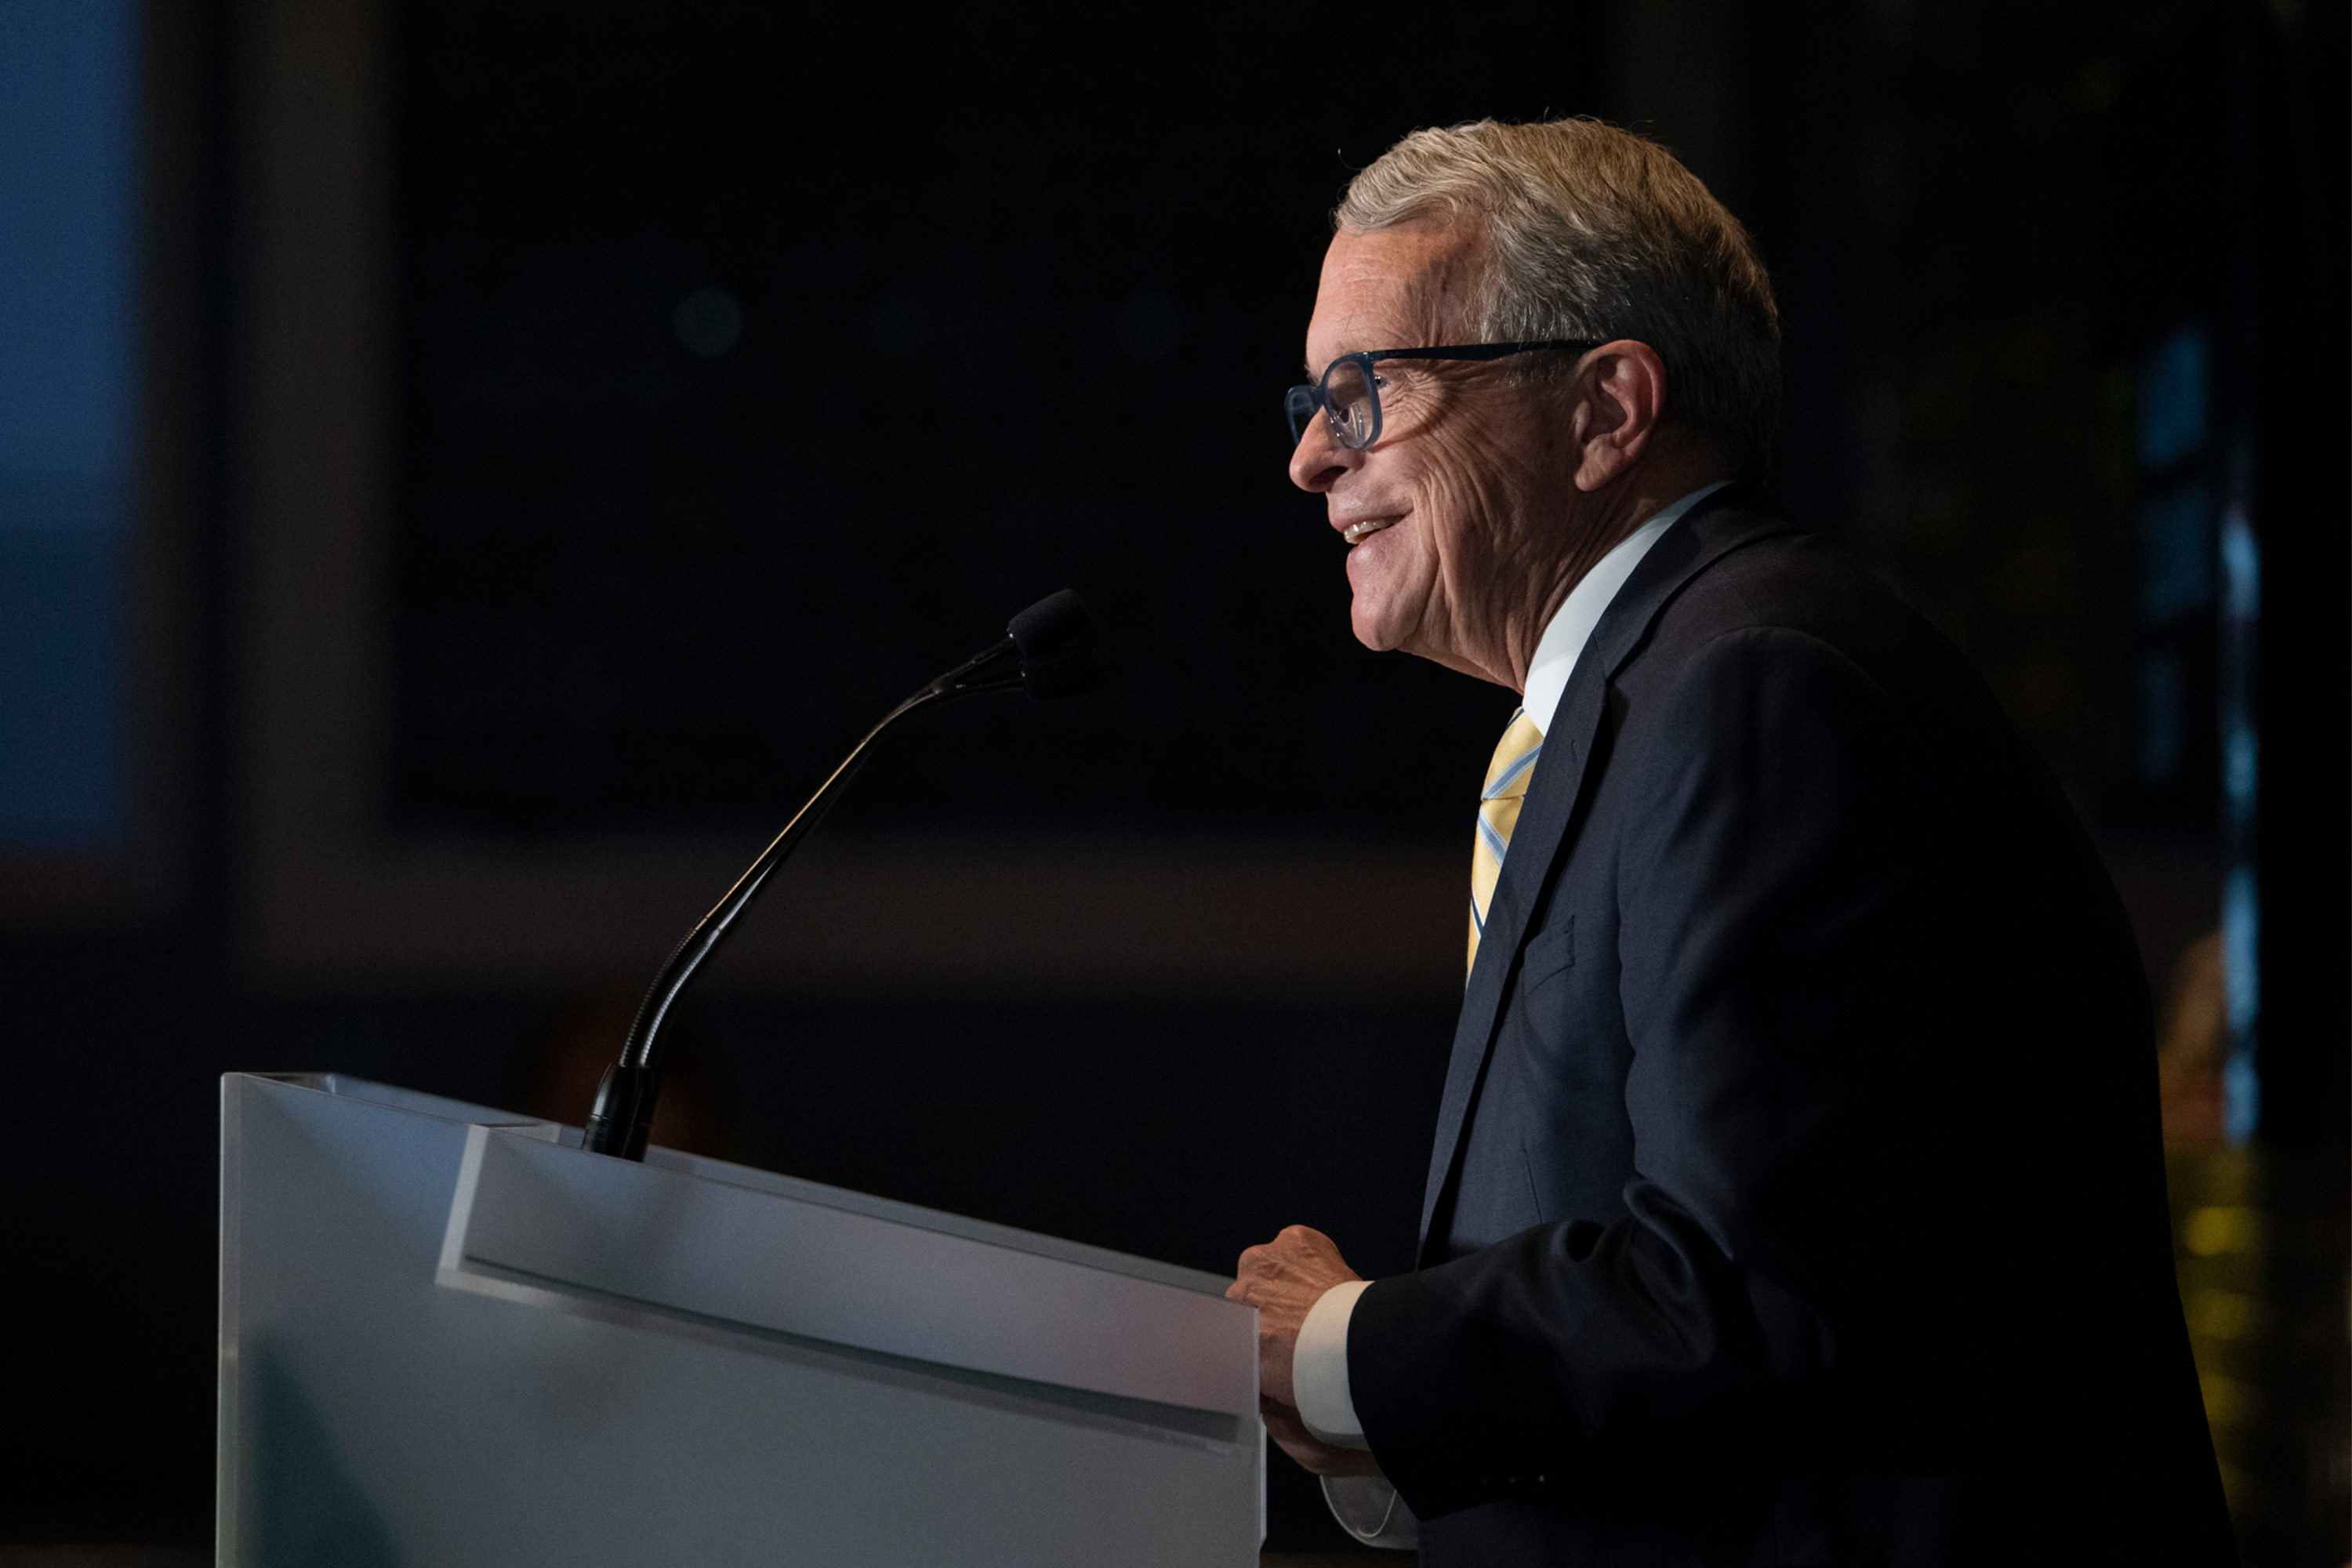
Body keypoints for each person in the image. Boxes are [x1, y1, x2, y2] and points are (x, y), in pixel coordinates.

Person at [1229, 118, 2230, 1565]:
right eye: (1312, 398)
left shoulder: (1764, 690)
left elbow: (1746, 1283)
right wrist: (1376, 1416)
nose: (1312, 457)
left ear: (1606, 409)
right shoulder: (1646, 703)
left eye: (1366, 391)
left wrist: (1345, 1345)